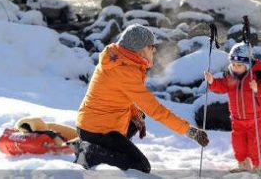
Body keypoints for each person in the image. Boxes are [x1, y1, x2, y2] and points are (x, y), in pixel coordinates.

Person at [76, 24, 209, 172]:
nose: (154, 49)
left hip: (93, 124)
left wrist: (134, 114)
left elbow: (121, 94)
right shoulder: (124, 70)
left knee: (139, 116)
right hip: (97, 131)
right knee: (141, 166)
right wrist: (189, 130)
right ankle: (89, 153)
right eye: (151, 46)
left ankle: (107, 150)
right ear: (139, 49)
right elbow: (156, 110)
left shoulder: (119, 59)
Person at [204, 42, 261, 173]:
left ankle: (259, 166)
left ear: (247, 65)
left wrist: (257, 89)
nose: (235, 68)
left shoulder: (257, 75)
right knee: (238, 145)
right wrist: (212, 82)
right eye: (233, 64)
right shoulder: (230, 76)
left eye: (239, 65)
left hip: (255, 119)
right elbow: (222, 86)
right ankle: (243, 164)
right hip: (237, 119)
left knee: (255, 144)